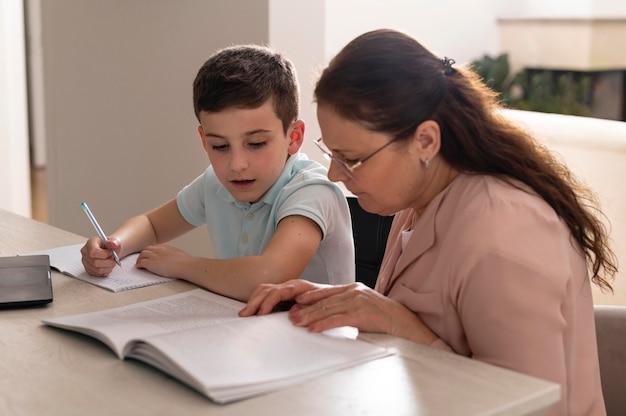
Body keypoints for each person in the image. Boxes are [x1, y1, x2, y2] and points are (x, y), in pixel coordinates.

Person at [239, 29, 617, 415]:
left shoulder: (504, 239)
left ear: (425, 142)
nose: (334, 174)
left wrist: (400, 326)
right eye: (331, 153)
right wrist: (338, 300)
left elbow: (533, 408)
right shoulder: (418, 198)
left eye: (351, 159)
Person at [81, 44, 355, 301]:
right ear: (204, 140)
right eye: (220, 146)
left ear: (293, 137)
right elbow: (152, 225)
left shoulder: (311, 191)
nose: (237, 164)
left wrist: (182, 265)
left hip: (321, 345)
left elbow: (268, 277)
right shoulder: (216, 183)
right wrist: (114, 245)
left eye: (256, 144)